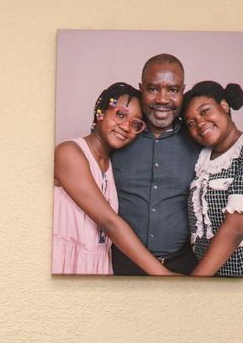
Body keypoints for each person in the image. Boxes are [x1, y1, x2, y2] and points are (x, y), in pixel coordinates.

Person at [52, 83, 175, 276]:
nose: (126, 127)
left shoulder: (112, 165)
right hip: (64, 264)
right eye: (120, 114)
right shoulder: (69, 152)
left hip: (98, 266)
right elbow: (109, 222)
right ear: (100, 112)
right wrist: (164, 274)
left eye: (136, 124)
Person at [109, 54, 199, 275]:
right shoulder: (117, 135)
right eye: (152, 89)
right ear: (141, 89)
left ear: (183, 91)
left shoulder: (199, 139)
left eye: (172, 90)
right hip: (121, 265)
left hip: (183, 265)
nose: (162, 99)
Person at [181, 80, 243, 278]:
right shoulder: (201, 158)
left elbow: (238, 227)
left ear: (224, 106)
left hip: (238, 274)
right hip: (204, 272)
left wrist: (194, 284)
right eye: (191, 123)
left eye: (204, 112)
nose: (200, 123)